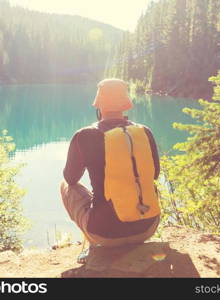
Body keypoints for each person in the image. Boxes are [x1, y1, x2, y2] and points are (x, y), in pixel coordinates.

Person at [60, 78, 160, 263]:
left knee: (65, 186)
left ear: (98, 105)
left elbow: (70, 178)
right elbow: (154, 175)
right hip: (148, 227)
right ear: (125, 105)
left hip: (105, 234)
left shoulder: (84, 135)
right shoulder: (144, 132)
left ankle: (93, 243)